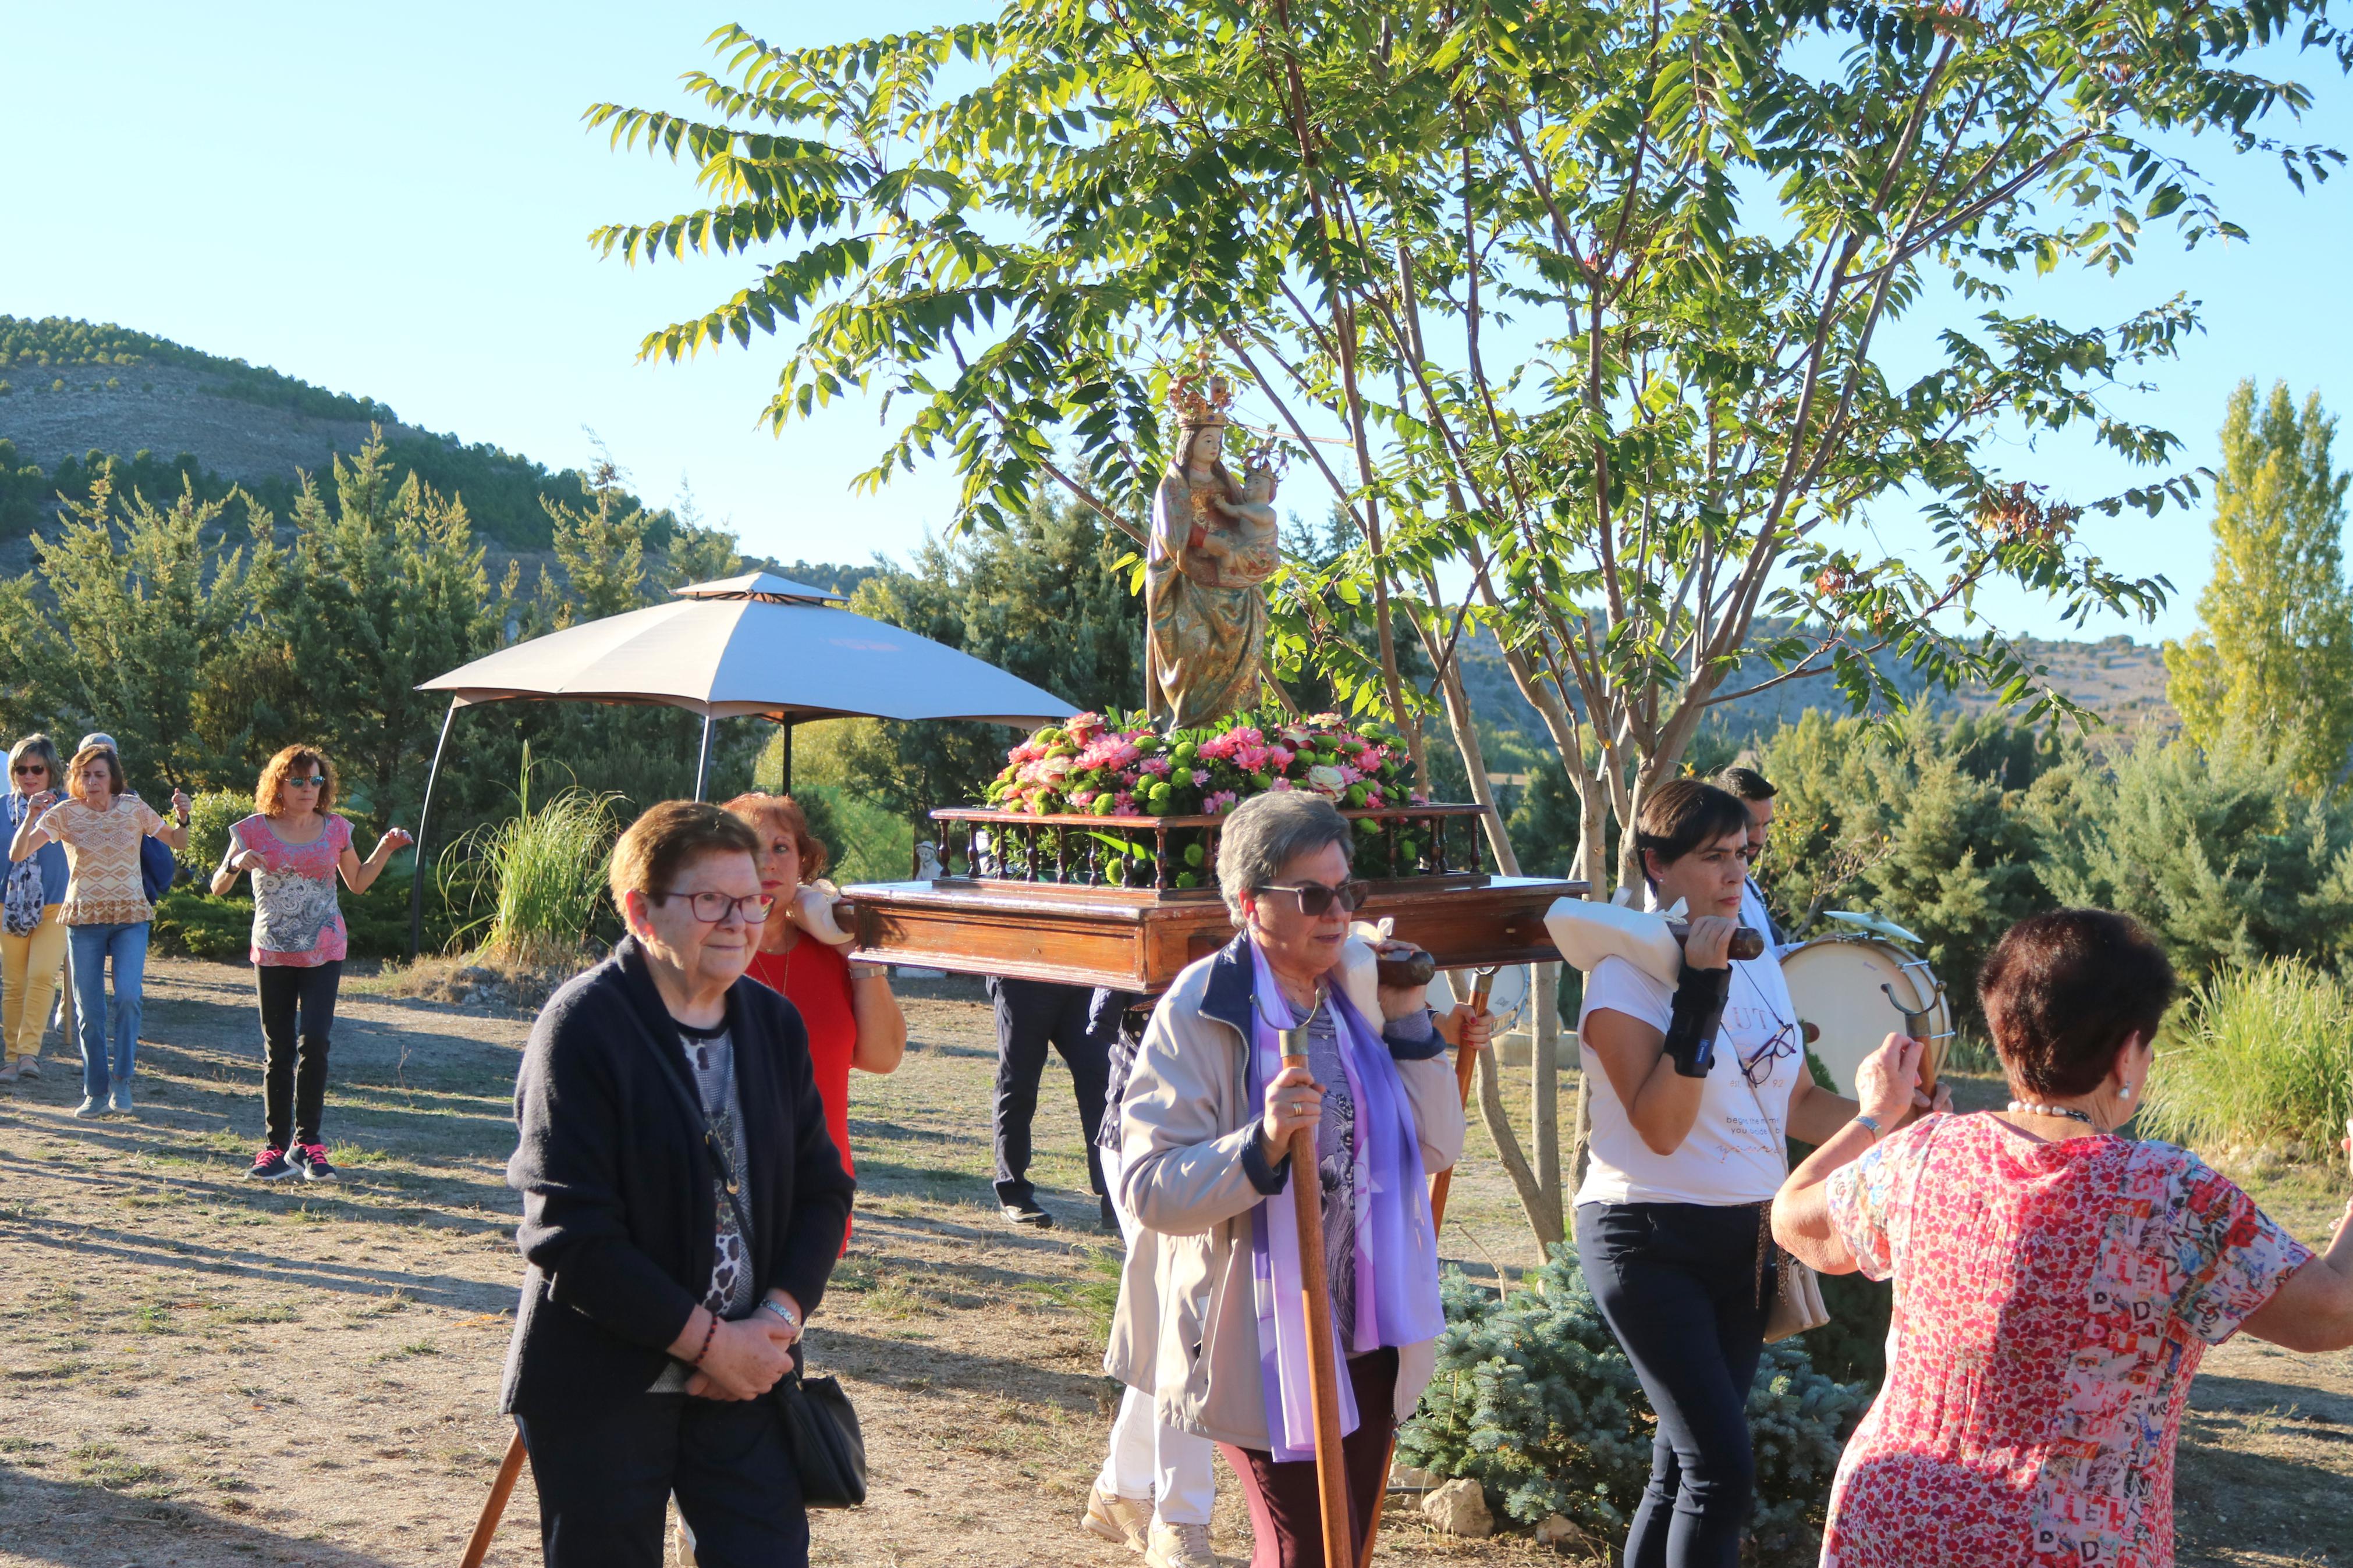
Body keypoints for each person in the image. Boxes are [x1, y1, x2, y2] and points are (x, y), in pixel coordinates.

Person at [1774, 909, 2353, 1567]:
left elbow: (1792, 1218)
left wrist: (1875, 1115)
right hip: (2062, 1541)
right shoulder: (2164, 1192)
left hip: (1894, 1515)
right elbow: (2332, 1314)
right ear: (2126, 1054)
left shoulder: (1920, 1153)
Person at [1574, 778, 1943, 1568]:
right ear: (1656, 865)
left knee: (1680, 1469)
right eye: (1711, 856)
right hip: (1645, 1236)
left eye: (1741, 853)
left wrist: (1894, 1111)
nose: (1734, 872)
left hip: (1744, 1236)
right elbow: (1662, 1128)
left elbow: (1798, 1102)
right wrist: (1700, 986)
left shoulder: (1760, 962)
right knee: (1720, 1469)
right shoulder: (1619, 974)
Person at [1106, 791, 1476, 1568]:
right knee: (1310, 1551)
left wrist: (1410, 1017)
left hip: (1369, 1327)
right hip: (1262, 1334)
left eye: (1347, 892)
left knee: (1347, 1545)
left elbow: (1438, 1144)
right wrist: (1262, 1143)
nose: (1336, 911)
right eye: (1312, 894)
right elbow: (1148, 1186)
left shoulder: (1356, 996)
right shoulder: (1200, 1006)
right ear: (1249, 901)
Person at [501, 801, 856, 1568]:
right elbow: (569, 1233)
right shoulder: (584, 1024)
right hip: (605, 1378)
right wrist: (708, 1341)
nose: (739, 920)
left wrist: (774, 1320)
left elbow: (824, 1191)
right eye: (710, 900)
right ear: (640, 909)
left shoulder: (773, 1023)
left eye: (753, 898)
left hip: (746, 1378)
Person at [211, 746, 413, 1181]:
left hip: (324, 949)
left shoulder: (336, 828)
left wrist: (385, 847)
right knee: (278, 1050)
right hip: (273, 952)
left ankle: (309, 1144)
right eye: (298, 780)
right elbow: (218, 887)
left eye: (316, 781)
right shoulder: (252, 830)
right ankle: (275, 1147)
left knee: (315, 1042)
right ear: (279, 784)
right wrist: (233, 863)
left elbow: (357, 882)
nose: (308, 789)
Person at [722, 792, 906, 1200]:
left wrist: (853, 952)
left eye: (781, 847)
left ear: (803, 862)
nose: (768, 862)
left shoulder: (831, 954)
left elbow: (883, 1057)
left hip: (819, 1189)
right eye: (749, 848)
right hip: (726, 1189)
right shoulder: (711, 955)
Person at [9, 742, 189, 1117]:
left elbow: (176, 841)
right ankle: (95, 1090)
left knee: (127, 996)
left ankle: (122, 1083)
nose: (91, 782)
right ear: (76, 778)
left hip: (130, 918)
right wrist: (31, 816)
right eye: (85, 775)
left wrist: (182, 818)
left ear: (113, 778)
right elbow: (18, 853)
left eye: (99, 775)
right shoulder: (66, 813)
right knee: (89, 1012)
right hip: (83, 920)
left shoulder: (134, 808)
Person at [986, 974, 1118, 1229]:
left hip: (1079, 975)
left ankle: (1113, 1193)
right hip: (1022, 976)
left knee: (1102, 1082)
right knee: (1019, 1083)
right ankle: (1013, 1193)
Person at [0, 735, 69, 1083]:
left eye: (37, 769)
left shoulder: (70, 807)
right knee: (14, 984)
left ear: (51, 770)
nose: (29, 776)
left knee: (41, 976)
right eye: (21, 769)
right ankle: (10, 1058)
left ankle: (30, 1053)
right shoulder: (1, 808)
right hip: (7, 907)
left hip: (57, 905)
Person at [1710, 765, 1787, 947]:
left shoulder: (1749, 885)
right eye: (1751, 825)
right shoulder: (1703, 883)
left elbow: (1770, 958)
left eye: (1766, 825)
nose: (1759, 838)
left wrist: (1814, 948)